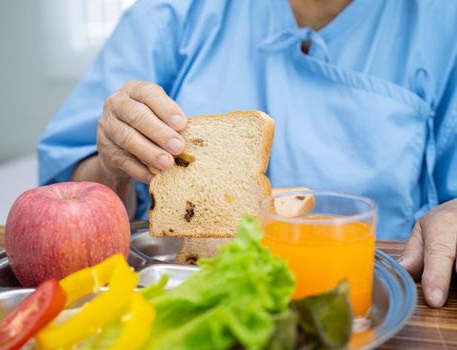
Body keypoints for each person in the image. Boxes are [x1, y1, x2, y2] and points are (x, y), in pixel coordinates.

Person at [38, 0, 457, 308]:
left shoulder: (443, 27)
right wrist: (112, 167)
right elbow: (66, 203)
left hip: (369, 299)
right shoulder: (171, 13)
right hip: (184, 294)